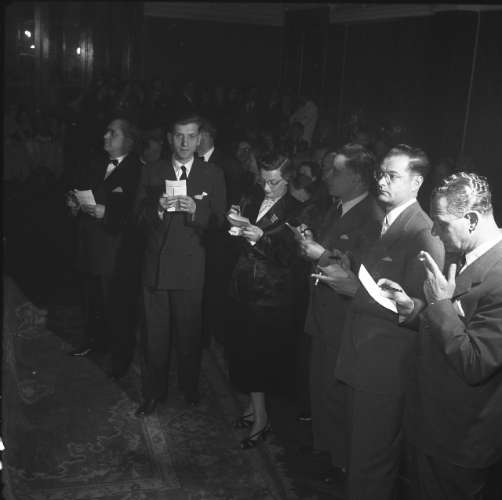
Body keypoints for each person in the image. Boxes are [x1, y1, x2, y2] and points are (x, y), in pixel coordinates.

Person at [329, 144, 445, 500]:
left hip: (385, 369)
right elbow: (380, 284)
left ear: (416, 182)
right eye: (381, 173)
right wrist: (351, 270)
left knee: (372, 465)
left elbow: (422, 313)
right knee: (359, 458)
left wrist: (354, 290)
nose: (382, 181)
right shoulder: (386, 221)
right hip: (362, 359)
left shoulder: (423, 232)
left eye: (392, 175)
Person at [378, 172, 502, 500]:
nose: (434, 232)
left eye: (442, 223)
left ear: (471, 220)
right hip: (433, 423)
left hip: (459, 438)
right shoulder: (467, 255)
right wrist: (415, 309)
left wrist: (440, 304)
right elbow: (457, 326)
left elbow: (476, 362)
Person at [299, 144, 383, 481]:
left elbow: (363, 275)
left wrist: (319, 255)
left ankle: (341, 463)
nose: (327, 176)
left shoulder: (372, 217)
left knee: (336, 395)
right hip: (322, 315)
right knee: (320, 389)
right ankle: (325, 450)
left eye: (336, 171)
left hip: (342, 320)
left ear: (358, 178)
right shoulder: (338, 208)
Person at [133, 113, 226, 417]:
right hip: (156, 268)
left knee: (189, 335)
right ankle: (153, 392)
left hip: (190, 267)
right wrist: (156, 209)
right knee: (154, 337)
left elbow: (221, 221)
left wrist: (197, 210)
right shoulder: (152, 170)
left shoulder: (212, 173)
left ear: (200, 139)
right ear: (170, 138)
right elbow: (136, 217)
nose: (185, 143)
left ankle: (189, 388)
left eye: (191, 136)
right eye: (179, 136)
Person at [224, 153, 302, 449]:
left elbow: (290, 257)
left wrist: (260, 238)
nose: (267, 188)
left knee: (258, 358)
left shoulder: (297, 210)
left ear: (289, 179)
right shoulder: (252, 199)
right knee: (242, 352)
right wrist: (234, 225)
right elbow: (238, 242)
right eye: (264, 181)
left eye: (274, 182)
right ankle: (252, 408)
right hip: (242, 287)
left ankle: (261, 418)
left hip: (270, 295)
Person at [65, 118, 143, 380]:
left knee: (118, 307)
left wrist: (106, 213)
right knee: (91, 299)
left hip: (116, 251)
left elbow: (137, 214)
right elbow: (83, 192)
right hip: (89, 246)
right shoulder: (95, 163)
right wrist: (74, 204)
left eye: (113, 133)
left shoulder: (138, 170)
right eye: (106, 132)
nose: (106, 136)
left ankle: (121, 358)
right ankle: (94, 342)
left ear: (128, 140)